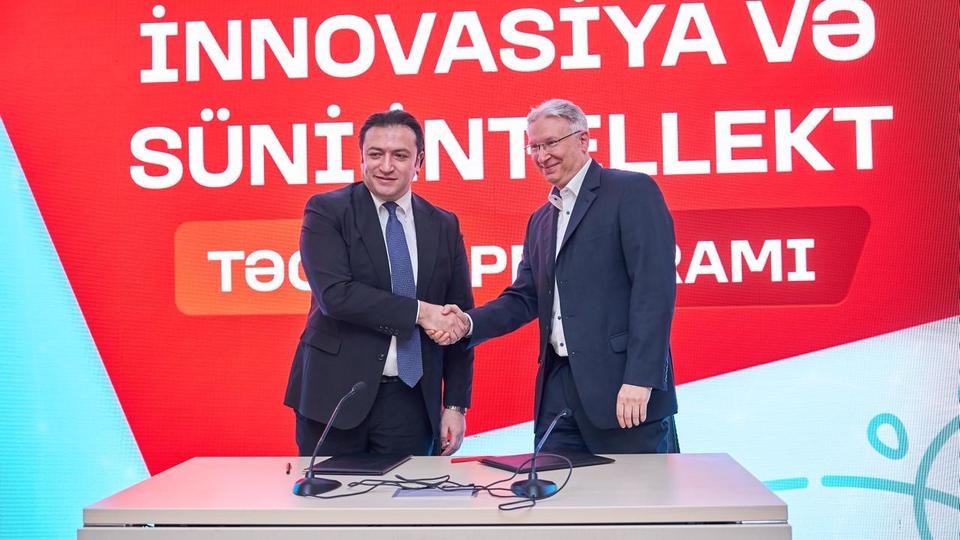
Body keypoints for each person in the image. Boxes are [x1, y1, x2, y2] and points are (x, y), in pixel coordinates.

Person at [434, 99, 678, 454]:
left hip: (623, 392)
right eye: (534, 146)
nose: (542, 155)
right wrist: (467, 324)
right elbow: (524, 298)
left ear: (583, 140)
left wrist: (641, 379)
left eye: (551, 143)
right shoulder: (541, 221)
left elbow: (653, 290)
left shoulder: (631, 191)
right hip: (557, 394)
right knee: (552, 489)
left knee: (634, 492)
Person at [284, 109, 472, 457]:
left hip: (411, 402)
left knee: (409, 495)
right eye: (375, 154)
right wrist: (421, 313)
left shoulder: (444, 225)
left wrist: (456, 404)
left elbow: (458, 318)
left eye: (399, 155)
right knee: (329, 494)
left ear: (419, 162)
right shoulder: (326, 211)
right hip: (335, 396)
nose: (386, 166)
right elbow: (336, 296)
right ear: (361, 159)